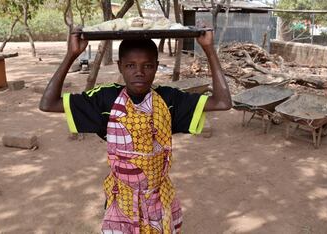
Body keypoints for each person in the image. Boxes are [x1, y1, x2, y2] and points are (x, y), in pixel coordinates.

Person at [39, 29, 232, 234]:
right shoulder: (105, 100)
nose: (139, 72)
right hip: (121, 201)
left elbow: (222, 101)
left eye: (147, 66)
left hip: (159, 198)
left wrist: (209, 49)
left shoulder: (169, 101)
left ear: (156, 67)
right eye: (131, 65)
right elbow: (48, 104)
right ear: (120, 66)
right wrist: (71, 54)